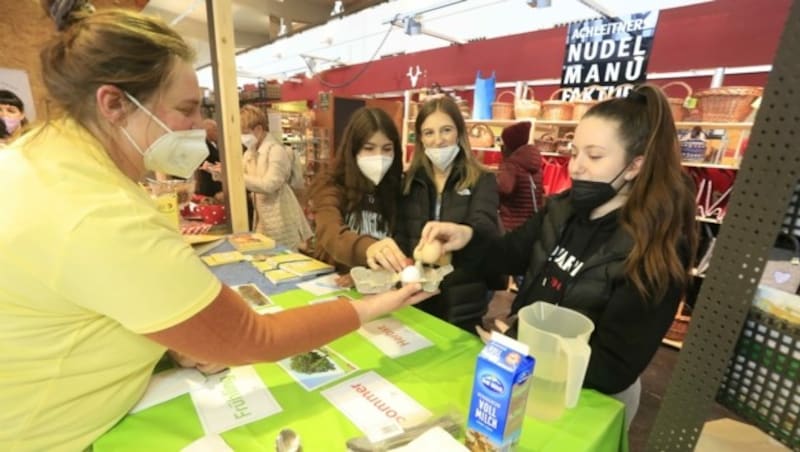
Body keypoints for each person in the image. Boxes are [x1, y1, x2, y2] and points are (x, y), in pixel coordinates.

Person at [0, 5, 435, 450]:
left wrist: (170, 337)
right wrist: (375, 306)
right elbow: (253, 336)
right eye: (186, 109)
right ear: (112, 104)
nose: (199, 126)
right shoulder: (95, 209)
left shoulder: (44, 158)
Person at [418, 84, 698, 428]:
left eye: (594, 156)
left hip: (590, 398)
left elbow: (615, 366)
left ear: (634, 165)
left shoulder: (655, 247)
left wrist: (527, 354)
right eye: (574, 152)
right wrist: (467, 237)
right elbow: (507, 256)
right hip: (523, 373)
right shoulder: (561, 210)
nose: (576, 167)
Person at [391, 96, 502, 332]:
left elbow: (485, 225)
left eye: (446, 130)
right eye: (429, 132)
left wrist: (464, 232)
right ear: (420, 138)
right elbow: (402, 233)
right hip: (418, 296)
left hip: (463, 298)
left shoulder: (482, 179)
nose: (438, 140)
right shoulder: (410, 182)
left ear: (459, 133)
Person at [309, 106, 407, 279]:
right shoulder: (330, 183)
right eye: (369, 148)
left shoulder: (398, 187)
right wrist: (369, 249)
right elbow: (330, 232)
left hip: (381, 287)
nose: (379, 156)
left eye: (386, 149)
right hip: (333, 283)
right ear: (353, 150)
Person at [205, 105, 312, 249]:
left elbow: (269, 185)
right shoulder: (250, 152)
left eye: (245, 132)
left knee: (284, 256)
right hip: (262, 217)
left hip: (281, 215)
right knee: (263, 254)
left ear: (259, 129)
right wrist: (218, 172)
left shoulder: (276, 151)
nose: (243, 138)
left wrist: (233, 175)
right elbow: (238, 178)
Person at [496, 121, 543, 232]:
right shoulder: (535, 164)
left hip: (510, 225)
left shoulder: (511, 165)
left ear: (510, 145)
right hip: (531, 223)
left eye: (504, 143)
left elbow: (504, 189)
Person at [194, 118, 223, 198]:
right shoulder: (202, 145)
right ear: (207, 131)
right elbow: (203, 163)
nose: (217, 133)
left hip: (218, 182)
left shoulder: (215, 144)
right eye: (215, 130)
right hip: (209, 184)